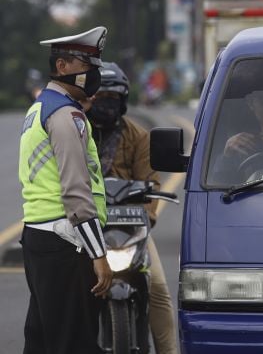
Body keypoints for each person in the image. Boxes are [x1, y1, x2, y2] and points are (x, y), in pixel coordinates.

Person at [18, 27, 111, 354]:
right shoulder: (65, 115)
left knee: (43, 339)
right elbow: (76, 191)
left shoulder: (39, 109)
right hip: (66, 240)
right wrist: (99, 254)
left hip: (38, 237)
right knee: (76, 341)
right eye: (88, 64)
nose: (95, 72)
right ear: (62, 67)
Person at [87, 62, 179, 354]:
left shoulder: (139, 136)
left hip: (129, 226)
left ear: (123, 102)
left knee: (159, 291)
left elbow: (151, 182)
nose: (105, 104)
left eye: (112, 99)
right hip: (86, 227)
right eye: (100, 97)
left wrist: (147, 216)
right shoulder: (77, 131)